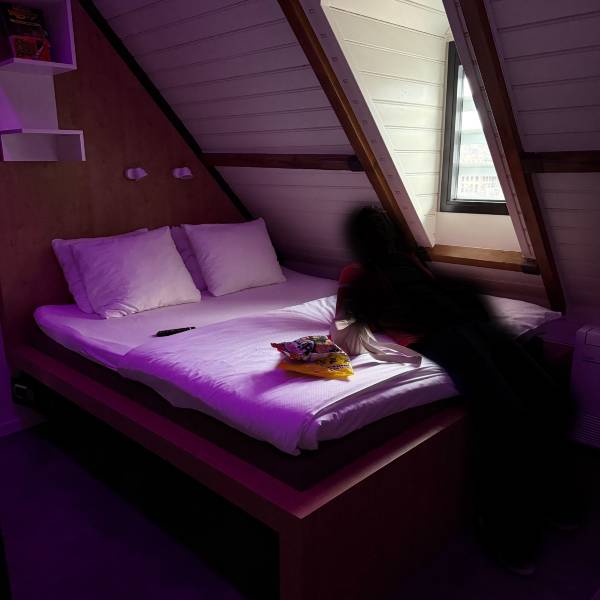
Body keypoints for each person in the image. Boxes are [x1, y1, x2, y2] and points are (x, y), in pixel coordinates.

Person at [336, 206, 576, 575]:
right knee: (532, 401)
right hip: (465, 330)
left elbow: (347, 334)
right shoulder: (399, 265)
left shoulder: (366, 272)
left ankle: (523, 524)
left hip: (452, 334)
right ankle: (544, 511)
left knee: (520, 407)